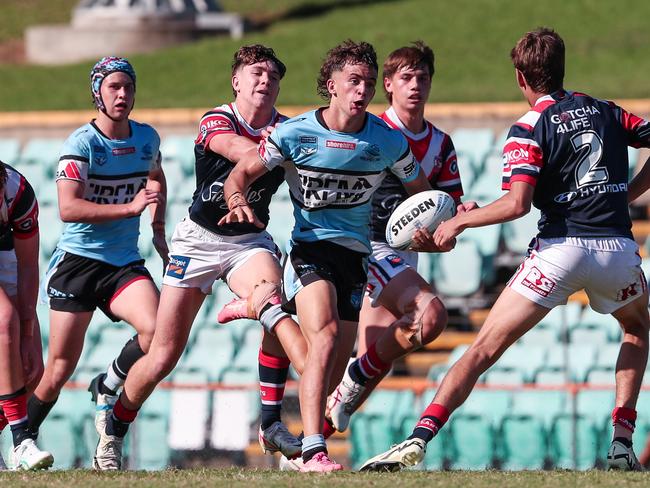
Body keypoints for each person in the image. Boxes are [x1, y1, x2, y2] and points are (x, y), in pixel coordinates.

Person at [361, 27, 650, 472]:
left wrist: (458, 220)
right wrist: (628, 193)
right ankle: (621, 443)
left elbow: (516, 204)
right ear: (561, 68)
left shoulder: (529, 126)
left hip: (560, 250)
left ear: (521, 77)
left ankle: (419, 438)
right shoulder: (606, 110)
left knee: (481, 351)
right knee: (636, 329)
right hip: (617, 250)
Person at [219, 40, 440, 472]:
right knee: (321, 337)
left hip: (355, 258)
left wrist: (436, 228)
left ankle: (266, 315)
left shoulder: (388, 142)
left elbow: (423, 194)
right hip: (309, 250)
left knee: (333, 368)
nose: (362, 91)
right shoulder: (294, 133)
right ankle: (315, 450)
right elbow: (241, 172)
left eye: (369, 84)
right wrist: (234, 198)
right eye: (354, 81)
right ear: (331, 85)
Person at [108, 45, 308, 468]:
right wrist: (285, 148)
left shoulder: (288, 129)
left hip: (247, 243)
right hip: (197, 241)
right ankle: (113, 428)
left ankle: (271, 421)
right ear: (236, 81)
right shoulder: (216, 120)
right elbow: (238, 151)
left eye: (273, 76)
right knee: (163, 355)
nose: (265, 81)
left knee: (277, 299)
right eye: (256, 72)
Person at [26, 56, 167, 471]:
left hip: (123, 263)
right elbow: (68, 209)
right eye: (113, 87)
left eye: (128, 87)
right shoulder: (81, 144)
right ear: (97, 94)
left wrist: (157, 228)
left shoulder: (146, 138)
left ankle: (109, 383)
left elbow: (155, 176)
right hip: (78, 265)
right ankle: (22, 441)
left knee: (159, 330)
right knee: (59, 369)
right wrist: (130, 209)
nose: (122, 94)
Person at [325, 41, 469, 440]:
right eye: (406, 77)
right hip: (366, 248)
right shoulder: (373, 130)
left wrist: (456, 223)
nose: (415, 85)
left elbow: (449, 216)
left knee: (372, 361)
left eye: (422, 77)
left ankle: (310, 445)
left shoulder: (441, 144)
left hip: (406, 256)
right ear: (387, 84)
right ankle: (312, 436)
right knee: (421, 322)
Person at [0, 162, 53, 470]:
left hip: (5, 252)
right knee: (4, 320)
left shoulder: (17, 191)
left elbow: (28, 265)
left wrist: (29, 334)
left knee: (30, 370)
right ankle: (22, 441)